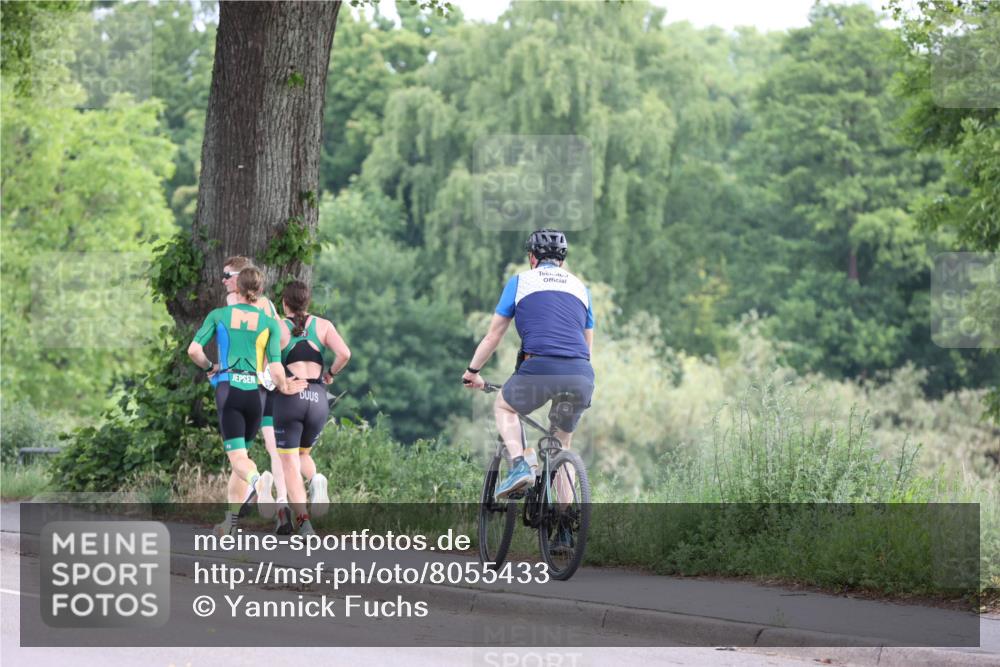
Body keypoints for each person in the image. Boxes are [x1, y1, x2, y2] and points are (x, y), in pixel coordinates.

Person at [462, 229, 595, 547]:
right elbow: (587, 348)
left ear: (532, 258)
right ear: (563, 261)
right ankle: (563, 532)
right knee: (561, 447)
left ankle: (521, 463)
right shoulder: (581, 288)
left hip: (540, 368)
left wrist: (472, 371)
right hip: (580, 374)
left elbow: (494, 335)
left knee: (506, 407)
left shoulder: (520, 282)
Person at [188, 267, 307, 536]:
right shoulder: (269, 323)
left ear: (237, 290)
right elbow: (276, 371)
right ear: (260, 291)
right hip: (256, 394)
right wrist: (285, 387)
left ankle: (257, 482)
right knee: (240, 460)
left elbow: (194, 351)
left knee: (239, 459)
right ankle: (230, 522)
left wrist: (209, 367)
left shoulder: (219, 315)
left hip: (229, 388)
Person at [274, 280, 351, 536]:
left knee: (288, 463)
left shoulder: (279, 327)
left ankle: (304, 521)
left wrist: (282, 384)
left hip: (291, 397)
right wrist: (330, 373)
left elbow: (268, 367)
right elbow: (345, 354)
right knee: (302, 455)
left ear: (285, 303)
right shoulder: (324, 325)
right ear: (307, 302)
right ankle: (316, 479)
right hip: (318, 397)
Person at [221, 256, 289, 530]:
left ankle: (236, 514)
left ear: (240, 278)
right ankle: (282, 506)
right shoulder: (269, 306)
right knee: (275, 451)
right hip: (269, 381)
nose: (223, 281)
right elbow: (282, 338)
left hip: (243, 382)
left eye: (227, 275)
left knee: (239, 454)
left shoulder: (232, 303)